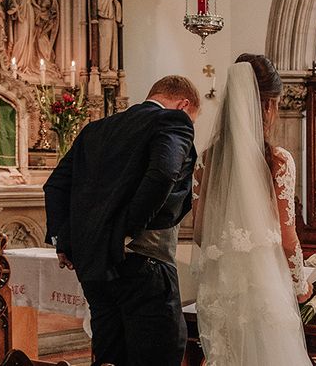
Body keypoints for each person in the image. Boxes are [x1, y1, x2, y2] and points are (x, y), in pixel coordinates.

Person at [44, 75, 200, 366]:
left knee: (110, 355)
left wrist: (63, 240)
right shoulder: (173, 121)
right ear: (183, 105)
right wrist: (127, 230)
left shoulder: (95, 129)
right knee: (159, 354)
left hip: (94, 268)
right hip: (144, 262)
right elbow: (164, 173)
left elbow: (55, 185)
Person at [192, 54, 312, 366]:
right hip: (264, 292)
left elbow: (202, 232)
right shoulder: (278, 161)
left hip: (221, 292)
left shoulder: (205, 161)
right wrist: (301, 285)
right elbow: (288, 240)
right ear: (269, 105)